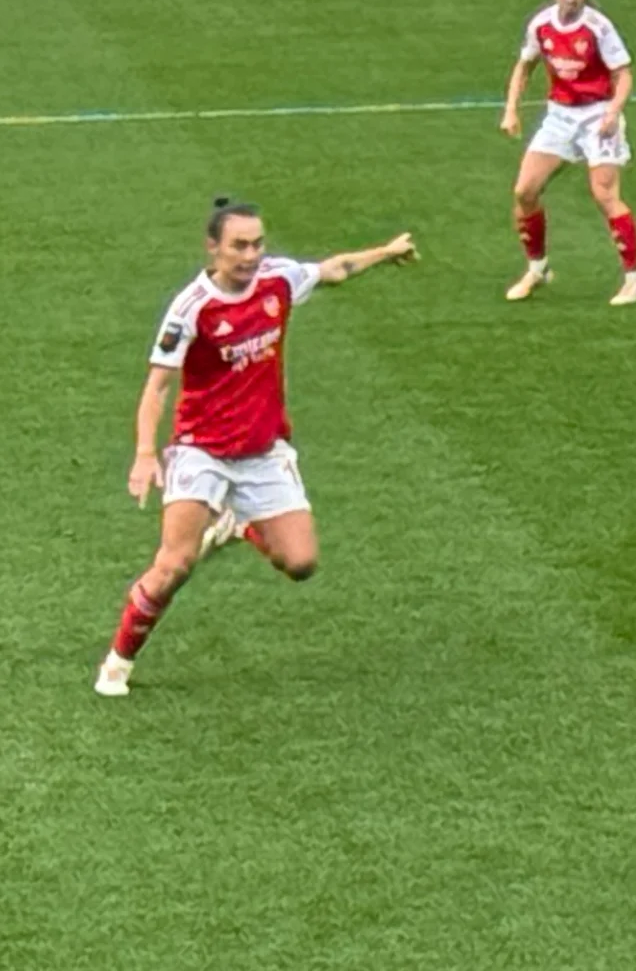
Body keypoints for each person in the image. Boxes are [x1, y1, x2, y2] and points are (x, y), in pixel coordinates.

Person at [93, 199, 417, 697]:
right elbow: (157, 386)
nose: (250, 255)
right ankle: (118, 661)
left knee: (301, 563)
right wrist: (144, 453)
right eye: (239, 246)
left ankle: (238, 524)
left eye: (257, 244)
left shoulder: (277, 280)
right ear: (213, 247)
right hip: (201, 452)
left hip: (263, 453)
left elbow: (333, 270)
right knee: (174, 565)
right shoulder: (191, 308)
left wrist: (386, 252)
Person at [500, 0, 636, 307]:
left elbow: (623, 74)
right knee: (525, 191)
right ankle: (538, 269)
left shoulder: (598, 26)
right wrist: (511, 110)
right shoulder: (541, 25)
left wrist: (613, 111)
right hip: (560, 117)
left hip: (598, 115)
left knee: (604, 194)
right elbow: (524, 66)